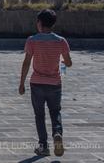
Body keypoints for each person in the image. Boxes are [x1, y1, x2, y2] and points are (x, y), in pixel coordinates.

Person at [19, 9, 72, 157]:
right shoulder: (61, 41)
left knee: (39, 115)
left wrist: (21, 83)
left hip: (36, 83)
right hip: (55, 83)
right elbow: (68, 63)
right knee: (55, 112)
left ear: (39, 23)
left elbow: (26, 63)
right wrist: (61, 62)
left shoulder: (32, 40)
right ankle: (57, 133)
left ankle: (43, 146)